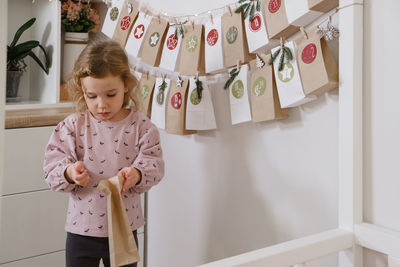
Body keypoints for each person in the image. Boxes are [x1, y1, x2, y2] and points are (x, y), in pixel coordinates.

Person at [43, 40, 165, 267]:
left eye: (110, 94)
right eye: (92, 96)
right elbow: (52, 168)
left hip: (123, 229)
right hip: (81, 229)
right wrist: (70, 172)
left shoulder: (142, 127)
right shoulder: (73, 126)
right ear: (82, 90)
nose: (101, 105)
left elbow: (154, 164)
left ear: (126, 84)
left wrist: (137, 174)